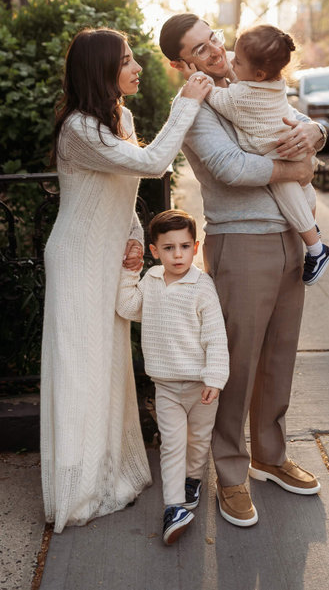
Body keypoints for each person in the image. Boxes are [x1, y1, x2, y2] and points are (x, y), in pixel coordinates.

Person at [40, 27, 211, 533]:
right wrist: (186, 100)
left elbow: (122, 185)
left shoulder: (121, 117)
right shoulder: (78, 129)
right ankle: (77, 487)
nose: (137, 68)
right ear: (100, 71)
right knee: (80, 371)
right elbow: (155, 162)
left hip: (109, 256)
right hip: (76, 262)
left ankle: (111, 470)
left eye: (135, 58)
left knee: (111, 366)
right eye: (127, 61)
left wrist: (135, 235)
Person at [159, 14, 326, 529]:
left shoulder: (253, 83)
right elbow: (231, 168)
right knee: (235, 364)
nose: (214, 51)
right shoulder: (193, 105)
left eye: (213, 38)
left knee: (279, 354)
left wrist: (313, 137)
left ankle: (269, 455)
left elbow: (303, 122)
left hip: (288, 239)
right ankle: (230, 472)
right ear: (179, 63)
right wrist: (295, 168)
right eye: (198, 48)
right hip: (242, 241)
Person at [116, 208, 229, 545]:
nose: (177, 255)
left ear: (196, 248)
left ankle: (193, 478)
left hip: (201, 387)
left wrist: (215, 379)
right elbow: (126, 307)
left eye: (184, 247)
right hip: (165, 386)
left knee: (198, 440)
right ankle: (173, 506)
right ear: (155, 250)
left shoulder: (202, 285)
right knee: (172, 444)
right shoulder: (150, 282)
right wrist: (128, 274)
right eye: (168, 248)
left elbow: (215, 336)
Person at [198, 22, 329, 286]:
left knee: (287, 191)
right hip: (288, 145)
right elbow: (243, 76)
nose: (230, 60)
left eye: (237, 60)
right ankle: (311, 228)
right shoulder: (273, 82)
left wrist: (197, 79)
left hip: (279, 150)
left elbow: (215, 96)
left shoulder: (240, 98)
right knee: (302, 191)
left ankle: (316, 248)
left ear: (258, 73)